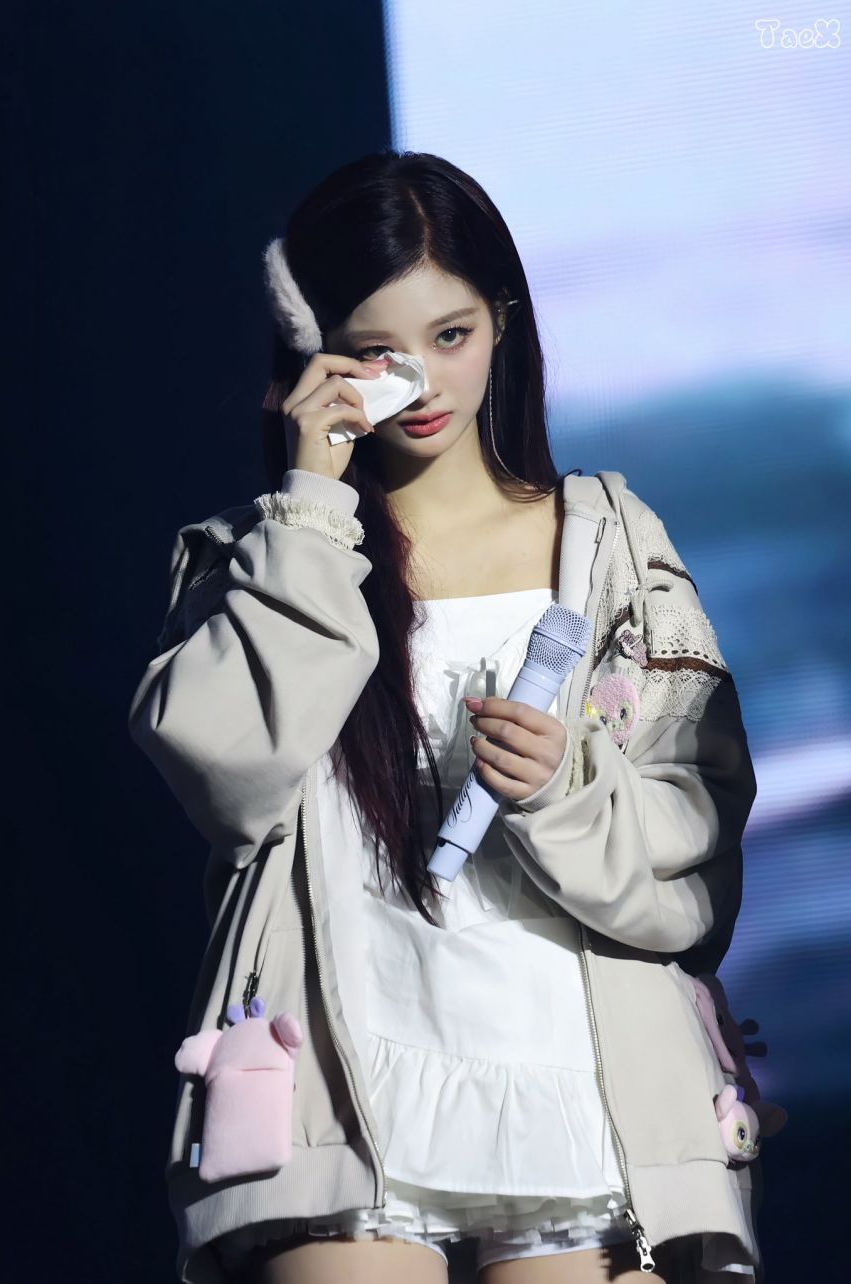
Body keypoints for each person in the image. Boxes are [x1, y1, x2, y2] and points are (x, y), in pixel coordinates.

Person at [128, 151, 766, 1284]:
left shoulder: (609, 545)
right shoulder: (258, 555)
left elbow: (700, 843)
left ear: (503, 322)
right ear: (317, 355)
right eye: (377, 352)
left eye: (451, 334)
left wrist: (563, 790)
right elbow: (227, 778)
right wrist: (312, 503)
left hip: (586, 1086)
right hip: (340, 1092)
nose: (419, 381)